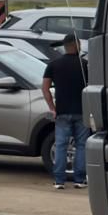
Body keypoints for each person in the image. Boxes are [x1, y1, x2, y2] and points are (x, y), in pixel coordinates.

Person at [42, 33, 89, 190]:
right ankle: (79, 180)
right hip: (82, 111)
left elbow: (45, 88)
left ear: (64, 46)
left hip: (62, 112)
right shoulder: (85, 65)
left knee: (61, 145)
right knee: (81, 145)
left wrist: (52, 108)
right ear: (77, 45)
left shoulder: (54, 65)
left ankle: (59, 181)